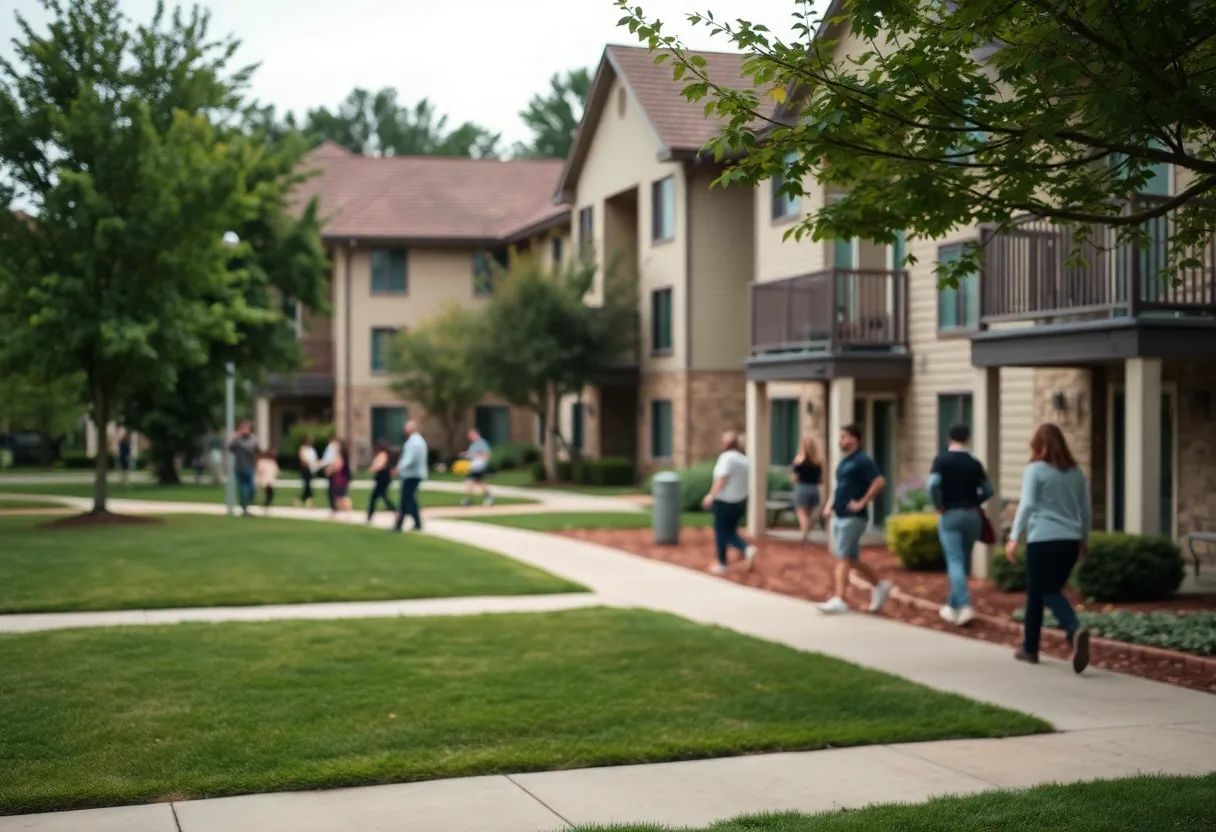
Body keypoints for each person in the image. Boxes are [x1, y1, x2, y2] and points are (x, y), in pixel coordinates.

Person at [1006, 423, 1092, 673]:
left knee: (1046, 590)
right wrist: (1083, 538)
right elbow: (1085, 509)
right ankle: (1029, 649)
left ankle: (1073, 629)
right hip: (1069, 542)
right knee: (1037, 592)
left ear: (1039, 446)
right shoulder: (1076, 472)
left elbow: (1027, 504)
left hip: (1043, 540)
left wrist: (1014, 537)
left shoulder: (1035, 470)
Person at [819, 423, 892, 614]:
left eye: (844, 437)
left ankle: (840, 599)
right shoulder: (845, 462)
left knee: (842, 558)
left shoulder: (863, 460)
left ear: (854, 439)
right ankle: (879, 586)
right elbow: (840, 487)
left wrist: (862, 502)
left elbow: (879, 481)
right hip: (839, 514)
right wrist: (829, 505)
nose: (840, 441)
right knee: (851, 558)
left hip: (853, 517)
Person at [928, 423, 995, 627]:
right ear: (968, 439)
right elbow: (988, 490)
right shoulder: (975, 463)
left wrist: (939, 505)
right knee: (963, 562)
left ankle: (965, 606)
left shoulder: (941, 461)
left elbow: (933, 485)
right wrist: (976, 501)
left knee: (955, 560)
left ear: (949, 438)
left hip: (950, 514)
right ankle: (951, 607)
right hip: (972, 515)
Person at [700, 431, 757, 575]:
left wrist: (711, 495)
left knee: (721, 532)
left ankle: (724, 562)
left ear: (726, 443)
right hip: (740, 501)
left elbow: (722, 478)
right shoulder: (744, 459)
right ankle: (744, 550)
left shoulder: (726, 458)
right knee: (731, 531)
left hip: (724, 501)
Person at [392, 421, 428, 533]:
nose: (404, 430)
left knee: (407, 500)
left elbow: (409, 458)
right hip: (415, 474)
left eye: (406, 428)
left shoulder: (414, 442)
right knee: (406, 500)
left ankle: (416, 523)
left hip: (411, 474)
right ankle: (401, 524)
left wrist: (398, 468)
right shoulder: (419, 440)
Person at [790, 436, 824, 544]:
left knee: (802, 514)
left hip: (802, 487)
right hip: (814, 489)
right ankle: (807, 535)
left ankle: (805, 535)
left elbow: (794, 478)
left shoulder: (799, 460)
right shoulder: (817, 462)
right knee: (809, 515)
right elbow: (821, 480)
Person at [227, 419, 260, 517]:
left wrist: (257, 464)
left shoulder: (254, 440)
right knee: (241, 489)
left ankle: (248, 503)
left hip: (250, 467)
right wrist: (233, 437)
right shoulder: (237, 440)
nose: (245, 430)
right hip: (239, 467)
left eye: (247, 428)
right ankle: (244, 508)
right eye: (243, 428)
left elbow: (258, 451)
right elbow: (229, 447)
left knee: (252, 488)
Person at [460, 429, 494, 507]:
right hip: (474, 465)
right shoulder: (473, 445)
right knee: (479, 482)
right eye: (470, 436)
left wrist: (482, 462)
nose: (471, 437)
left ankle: (468, 500)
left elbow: (487, 454)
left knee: (469, 481)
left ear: (477, 434)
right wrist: (465, 454)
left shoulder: (481, 443)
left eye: (472, 435)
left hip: (478, 466)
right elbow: (471, 454)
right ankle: (489, 497)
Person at [366, 440, 398, 522]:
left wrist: (372, 468)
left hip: (382, 479)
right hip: (383, 479)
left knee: (375, 497)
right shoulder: (384, 454)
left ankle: (370, 516)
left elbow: (380, 465)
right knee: (383, 497)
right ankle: (395, 511)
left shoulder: (382, 455)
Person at [326, 439, 353, 519]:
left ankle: (348, 512)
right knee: (338, 497)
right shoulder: (340, 455)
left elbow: (338, 466)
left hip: (340, 479)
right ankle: (338, 512)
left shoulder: (340, 455)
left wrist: (331, 469)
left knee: (342, 497)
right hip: (339, 478)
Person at [318, 436, 341, 513]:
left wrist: (321, 464)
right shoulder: (333, 448)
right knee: (334, 488)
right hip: (333, 469)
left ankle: (334, 506)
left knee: (332, 489)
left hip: (333, 470)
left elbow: (328, 460)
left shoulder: (331, 448)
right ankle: (335, 506)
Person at [256, 448, 280, 516]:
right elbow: (259, 471)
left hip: (270, 480)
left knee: (270, 493)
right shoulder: (262, 462)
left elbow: (276, 471)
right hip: (265, 480)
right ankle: (266, 504)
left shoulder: (273, 462)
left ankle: (267, 504)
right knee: (267, 492)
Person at [296, 435, 318, 508]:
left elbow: (314, 458)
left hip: (311, 468)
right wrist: (307, 463)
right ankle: (309, 502)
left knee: (309, 486)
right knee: (307, 486)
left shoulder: (312, 449)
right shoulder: (303, 449)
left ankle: (301, 500)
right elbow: (302, 458)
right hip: (305, 469)